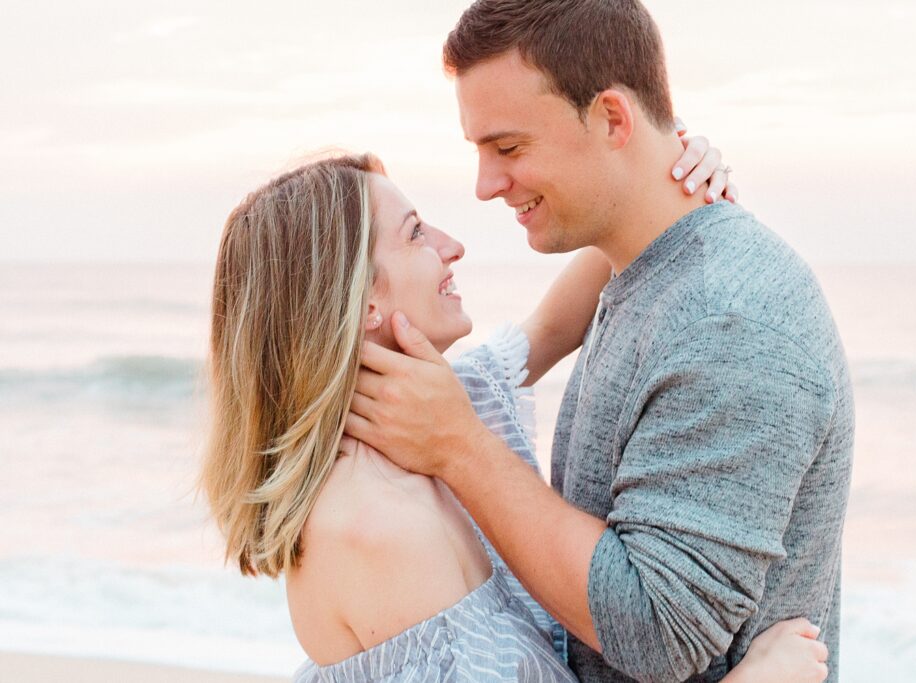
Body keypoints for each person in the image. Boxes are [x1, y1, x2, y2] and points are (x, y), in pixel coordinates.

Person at [344, 1, 854, 682]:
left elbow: (656, 633)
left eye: (509, 147)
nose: (485, 185)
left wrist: (461, 445)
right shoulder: (642, 273)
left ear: (612, 118)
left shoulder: (729, 321)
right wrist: (673, 160)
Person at [201, 153, 830, 682]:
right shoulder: (374, 529)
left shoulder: (440, 414)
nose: (453, 246)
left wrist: (668, 176)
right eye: (417, 233)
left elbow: (554, 324)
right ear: (363, 302)